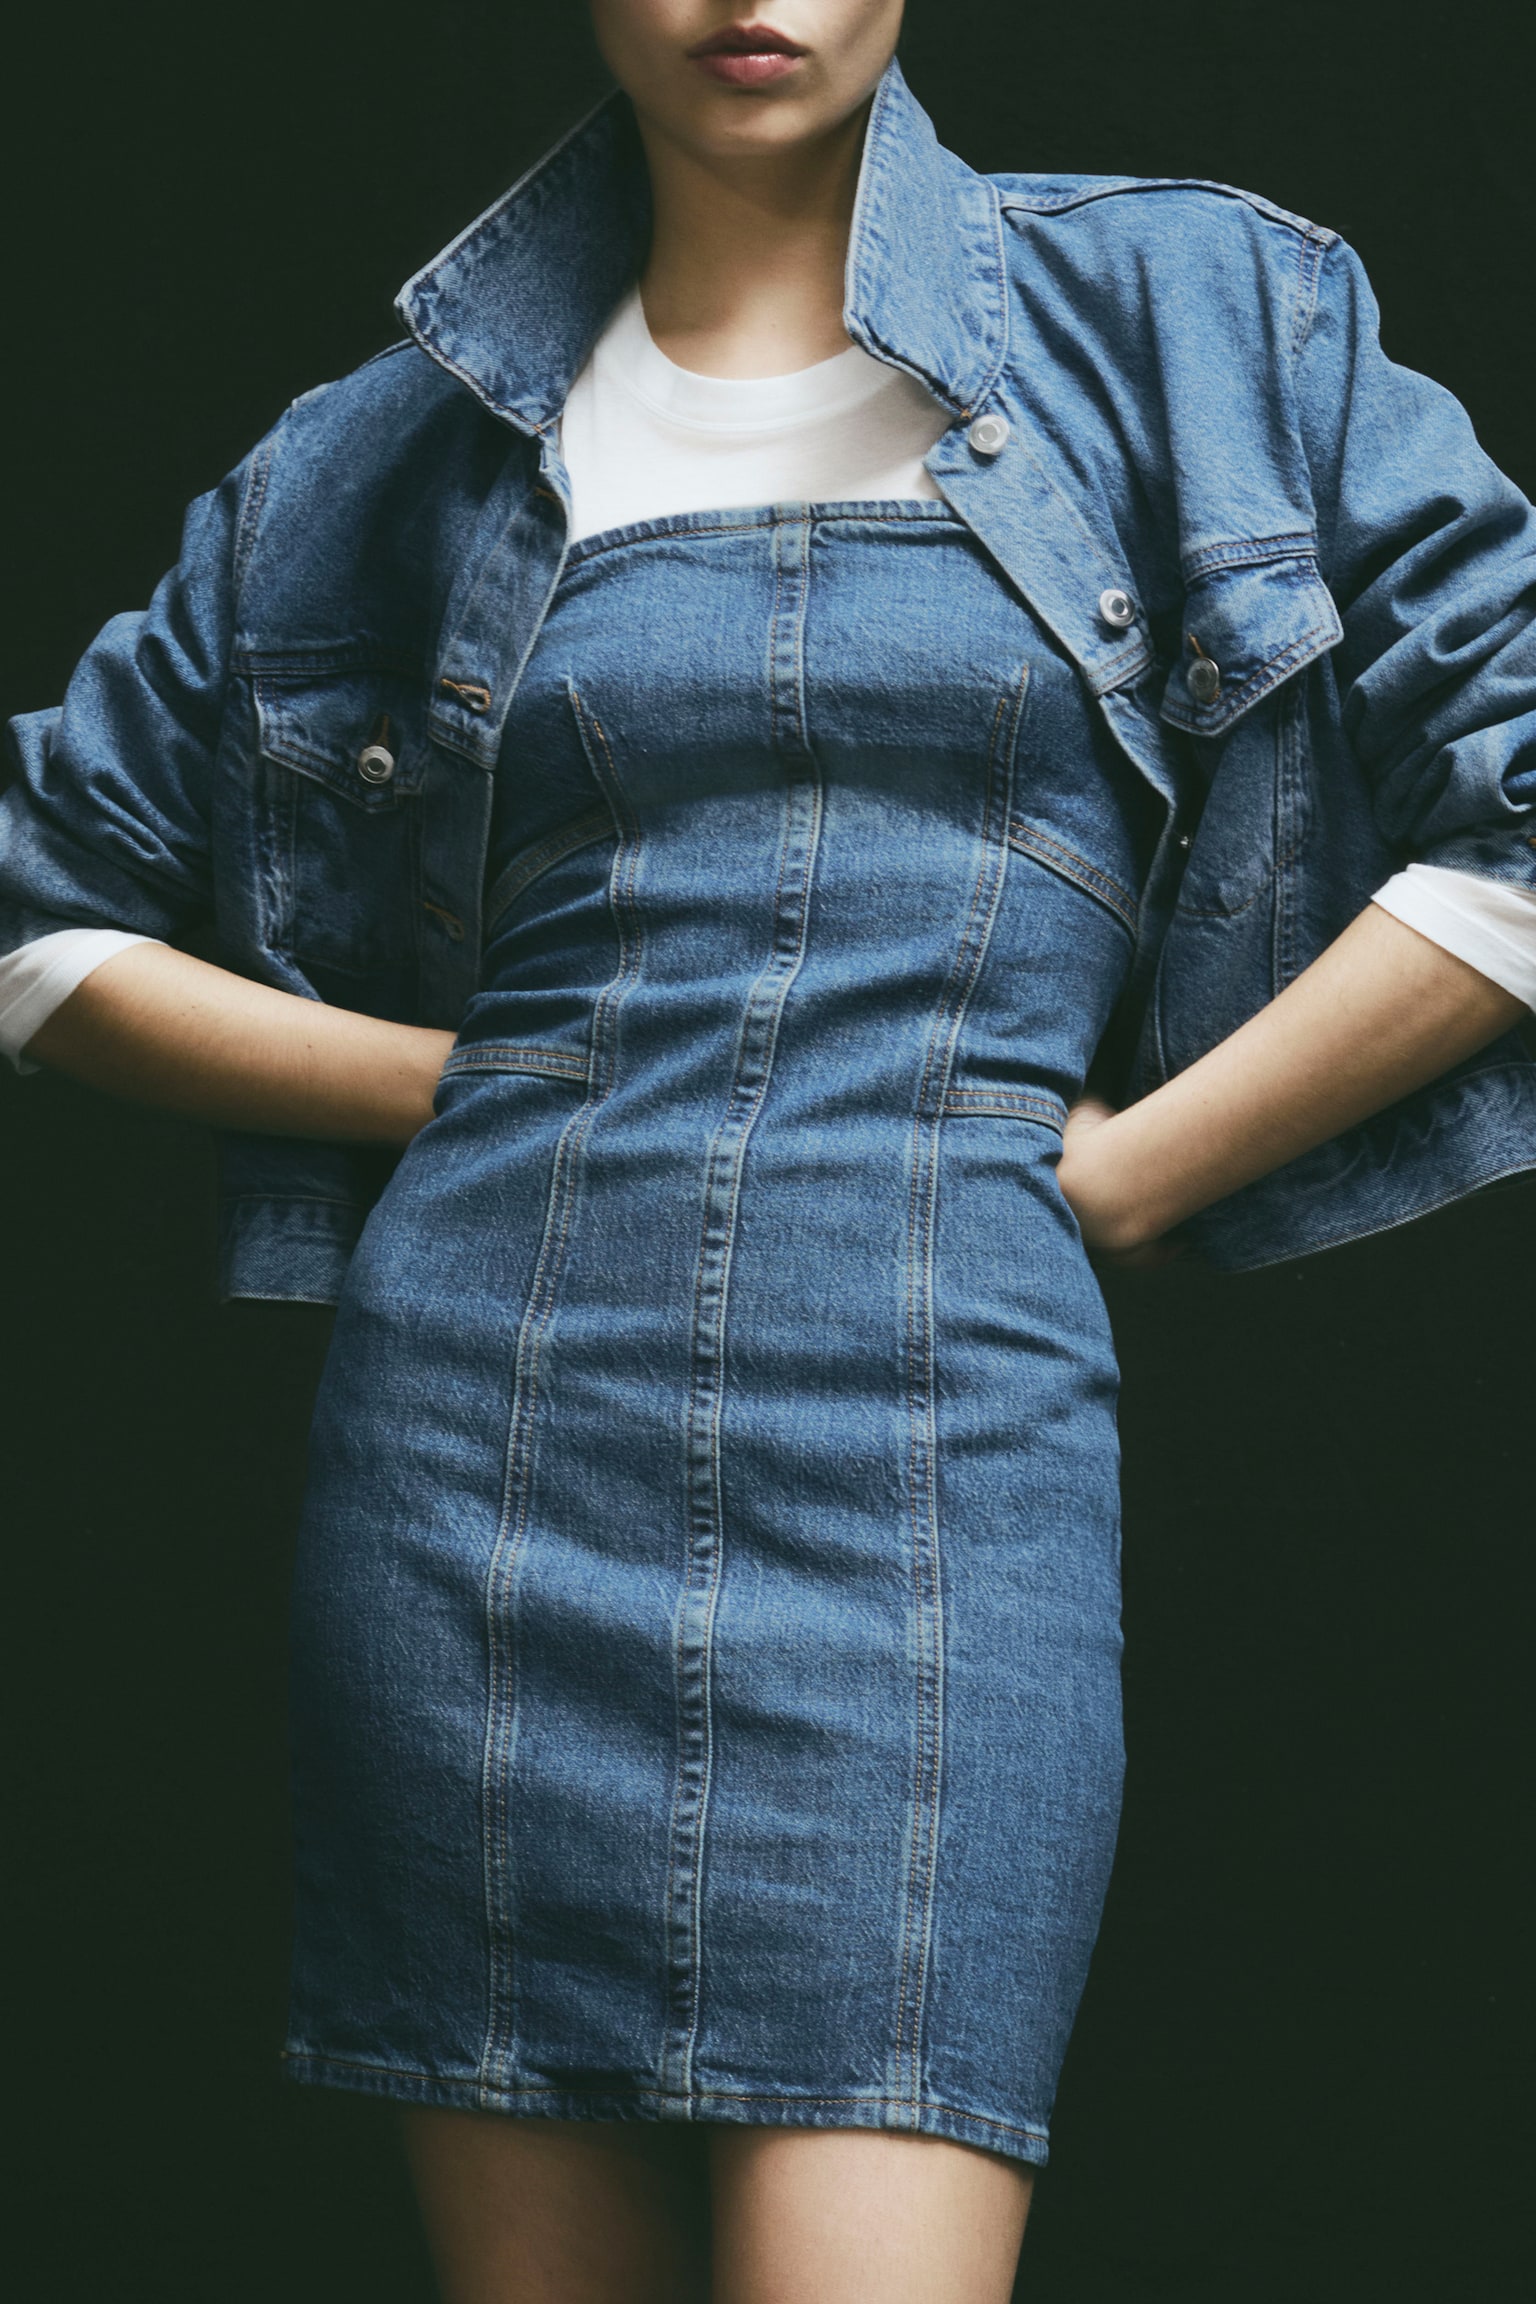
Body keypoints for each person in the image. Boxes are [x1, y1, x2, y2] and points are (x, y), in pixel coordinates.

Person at [4, 5, 1535, 2298]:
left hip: (948, 1466)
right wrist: (454, 1085)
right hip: (479, 1468)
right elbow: (43, 908)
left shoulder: (1205, 314)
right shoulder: (375, 455)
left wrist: (1139, 1169)